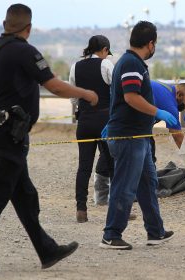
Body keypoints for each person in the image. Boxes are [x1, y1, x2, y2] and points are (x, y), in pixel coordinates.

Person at [0, 4, 98, 273]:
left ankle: (47, 250)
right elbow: (53, 85)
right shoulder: (24, 51)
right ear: (28, 28)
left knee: (24, 194)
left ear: (5, 23)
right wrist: (87, 94)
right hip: (9, 132)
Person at [99, 21, 175, 250]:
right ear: (150, 43)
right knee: (124, 187)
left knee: (147, 184)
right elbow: (131, 97)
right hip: (128, 138)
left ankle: (155, 231)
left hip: (138, 136)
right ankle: (111, 234)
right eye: (155, 44)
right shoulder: (132, 63)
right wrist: (157, 111)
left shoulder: (133, 62)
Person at [69, 35, 115, 223]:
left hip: (85, 120)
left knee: (84, 166)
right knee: (113, 164)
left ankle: (81, 209)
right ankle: (119, 209)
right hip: (105, 120)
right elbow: (117, 90)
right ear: (104, 50)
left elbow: (73, 96)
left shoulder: (75, 66)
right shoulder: (106, 65)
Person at [150, 80, 185, 162]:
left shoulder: (167, 88)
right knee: (148, 155)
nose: (184, 107)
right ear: (179, 94)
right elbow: (178, 136)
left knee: (149, 150)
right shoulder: (171, 105)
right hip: (131, 123)